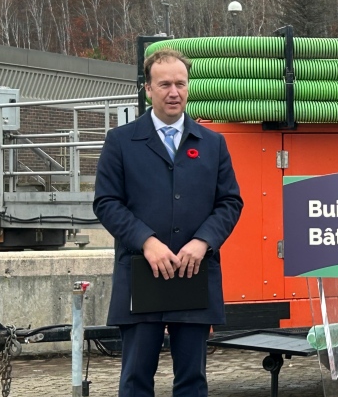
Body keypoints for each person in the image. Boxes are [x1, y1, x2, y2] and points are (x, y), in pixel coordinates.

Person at [93, 48, 243, 397]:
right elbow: (106, 202)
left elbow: (230, 202)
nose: (173, 92)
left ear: (188, 88)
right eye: (164, 84)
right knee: (135, 380)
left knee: (192, 381)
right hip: (141, 274)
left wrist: (203, 241)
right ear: (148, 89)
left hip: (194, 274)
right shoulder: (121, 142)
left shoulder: (213, 144)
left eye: (180, 83)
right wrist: (147, 241)